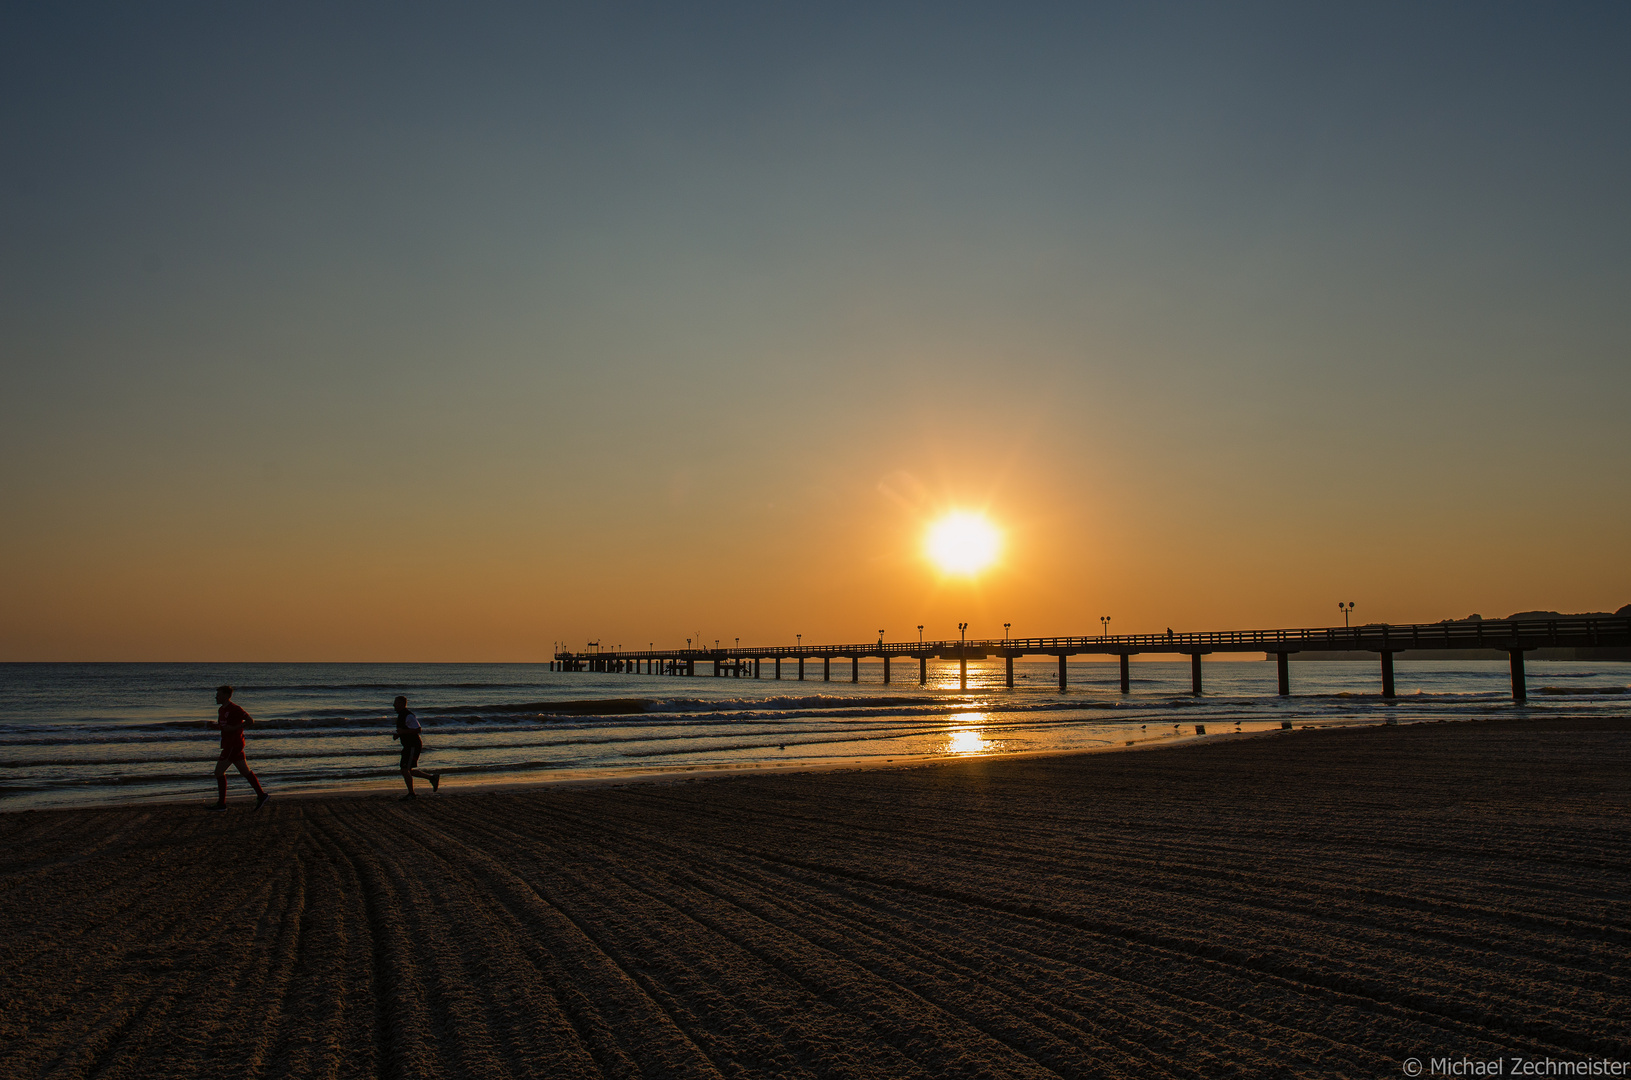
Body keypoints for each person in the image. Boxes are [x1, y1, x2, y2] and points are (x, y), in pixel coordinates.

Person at [207, 685, 269, 811]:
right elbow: (223, 726)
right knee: (245, 771)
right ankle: (261, 795)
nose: (216, 697)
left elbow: (250, 721)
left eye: (218, 695)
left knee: (218, 772)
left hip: (233, 745)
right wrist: (214, 726)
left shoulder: (235, 709)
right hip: (228, 744)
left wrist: (234, 728)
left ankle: (221, 804)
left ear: (225, 695)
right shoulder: (221, 710)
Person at [391, 695, 440, 798]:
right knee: (408, 770)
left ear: (401, 704)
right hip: (408, 745)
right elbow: (407, 728)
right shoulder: (401, 715)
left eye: (396, 703)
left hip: (413, 745)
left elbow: (418, 729)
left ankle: (411, 793)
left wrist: (402, 732)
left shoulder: (408, 715)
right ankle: (432, 778)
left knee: (405, 769)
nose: (394, 705)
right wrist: (398, 735)